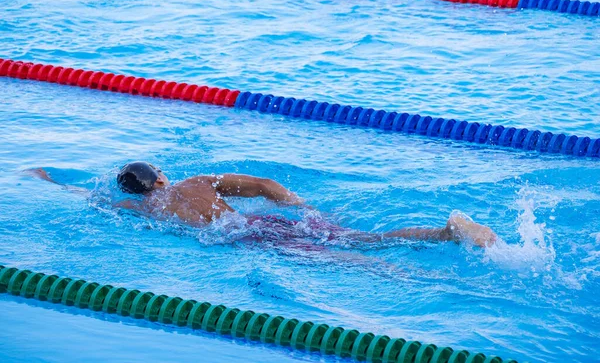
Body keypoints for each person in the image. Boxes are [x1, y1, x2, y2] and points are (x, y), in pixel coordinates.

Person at [26, 161, 497, 248]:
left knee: (355, 258)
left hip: (249, 239)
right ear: (162, 176)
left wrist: (45, 179)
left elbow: (85, 198)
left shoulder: (140, 210)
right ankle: (444, 232)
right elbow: (264, 183)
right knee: (357, 239)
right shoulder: (196, 181)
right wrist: (307, 208)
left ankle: (445, 237)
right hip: (263, 221)